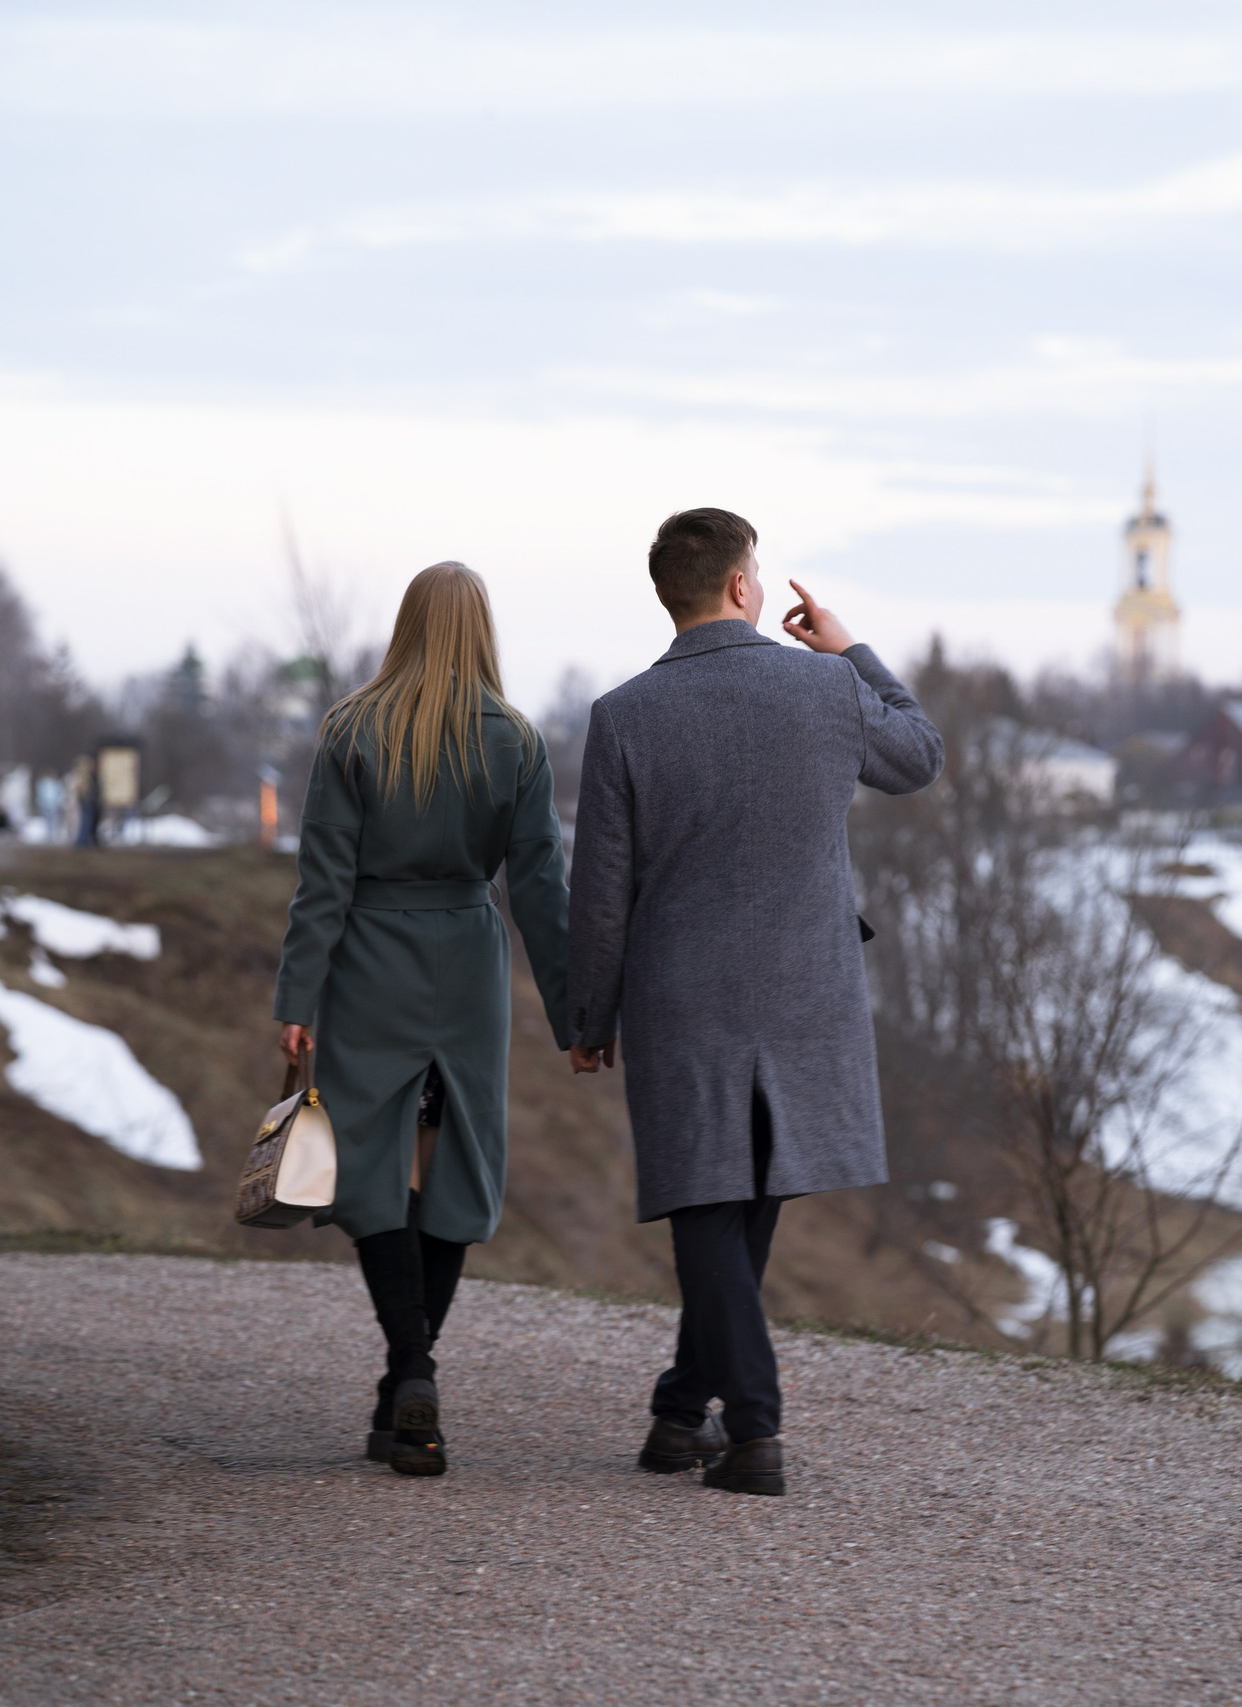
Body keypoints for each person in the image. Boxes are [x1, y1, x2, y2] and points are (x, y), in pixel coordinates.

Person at [566, 508, 942, 1496]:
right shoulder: (826, 687)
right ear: (742, 586)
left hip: (681, 1002)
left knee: (712, 1206)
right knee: (736, 1205)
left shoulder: (622, 715)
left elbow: (598, 889)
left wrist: (588, 1017)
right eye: (759, 574)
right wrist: (851, 650)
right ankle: (737, 1425)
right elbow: (918, 755)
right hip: (806, 995)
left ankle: (704, 1416)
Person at [273, 561, 570, 1478]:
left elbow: (321, 880)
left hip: (371, 964)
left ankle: (410, 1371)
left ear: (405, 625)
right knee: (449, 1171)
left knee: (372, 1171)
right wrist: (575, 1012)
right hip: (469, 967)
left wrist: (296, 1000)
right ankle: (409, 1387)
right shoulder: (516, 740)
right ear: (481, 629)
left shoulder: (351, 730)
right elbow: (541, 888)